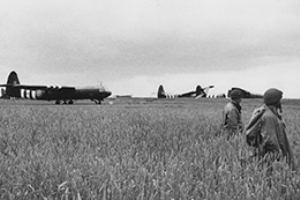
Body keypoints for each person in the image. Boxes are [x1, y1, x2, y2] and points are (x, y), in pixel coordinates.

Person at [245, 88, 295, 170]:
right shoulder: (269, 117)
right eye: (279, 100)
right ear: (275, 101)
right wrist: (278, 158)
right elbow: (270, 141)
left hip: (267, 157)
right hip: (270, 160)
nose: (280, 102)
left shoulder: (268, 113)